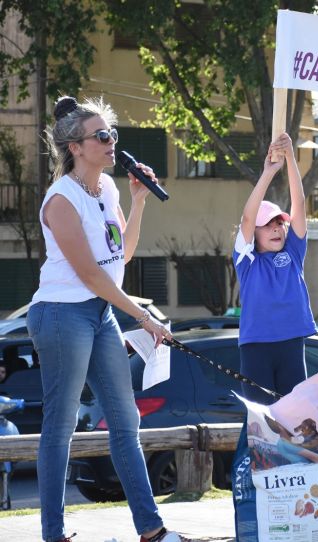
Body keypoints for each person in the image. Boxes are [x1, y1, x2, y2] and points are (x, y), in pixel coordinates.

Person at [28, 96, 184, 542]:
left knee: (125, 420)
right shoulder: (61, 199)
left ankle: (152, 529)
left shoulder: (110, 189)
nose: (111, 142)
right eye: (102, 136)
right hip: (60, 314)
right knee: (60, 426)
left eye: (112, 134)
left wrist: (138, 202)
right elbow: (91, 274)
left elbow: (121, 256)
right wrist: (145, 317)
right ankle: (53, 534)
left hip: (97, 313)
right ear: (76, 147)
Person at [233, 133, 316, 404]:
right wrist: (268, 172)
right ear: (253, 233)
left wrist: (291, 158)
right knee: (262, 424)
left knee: (293, 421)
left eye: (279, 223)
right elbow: (247, 216)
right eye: (268, 224)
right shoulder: (246, 261)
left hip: (291, 344)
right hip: (256, 348)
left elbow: (299, 205)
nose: (277, 228)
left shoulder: (293, 252)